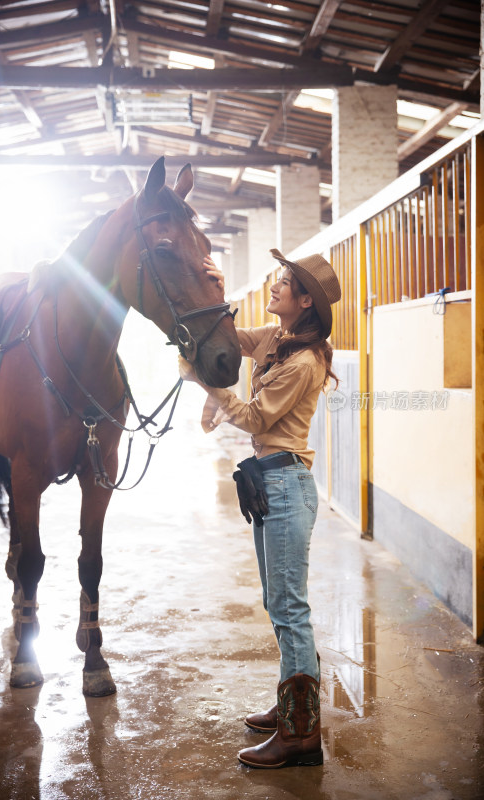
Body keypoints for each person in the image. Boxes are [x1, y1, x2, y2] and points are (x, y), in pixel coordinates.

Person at [179, 249, 341, 769]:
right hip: (270, 485)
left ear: (304, 301)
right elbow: (232, 341)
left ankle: (301, 735)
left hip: (288, 486)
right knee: (278, 603)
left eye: (284, 281)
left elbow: (252, 418)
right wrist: (216, 292)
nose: (275, 285)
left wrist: (206, 386)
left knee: (290, 608)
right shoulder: (277, 340)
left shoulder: (304, 361)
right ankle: (292, 705)